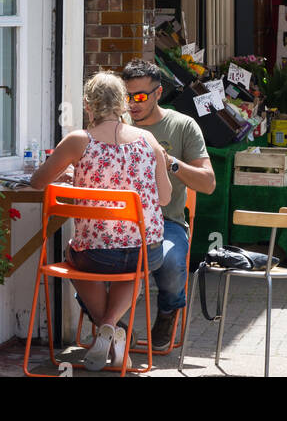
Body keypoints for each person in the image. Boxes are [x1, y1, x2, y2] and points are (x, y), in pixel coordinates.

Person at [29, 70, 172, 371]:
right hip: (146, 252)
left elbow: (37, 181)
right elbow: (165, 199)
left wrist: (70, 174)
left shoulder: (80, 141)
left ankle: (106, 329)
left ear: (87, 105)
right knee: (132, 267)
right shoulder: (148, 140)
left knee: (75, 255)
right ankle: (112, 334)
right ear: (123, 104)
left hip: (96, 255)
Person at [122, 58, 217, 350]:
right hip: (119, 220)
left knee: (173, 262)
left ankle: (166, 315)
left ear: (158, 93)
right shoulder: (116, 124)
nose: (132, 104)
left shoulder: (182, 125)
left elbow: (208, 183)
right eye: (126, 97)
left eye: (139, 97)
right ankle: (111, 326)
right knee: (84, 256)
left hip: (166, 220)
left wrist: (171, 163)